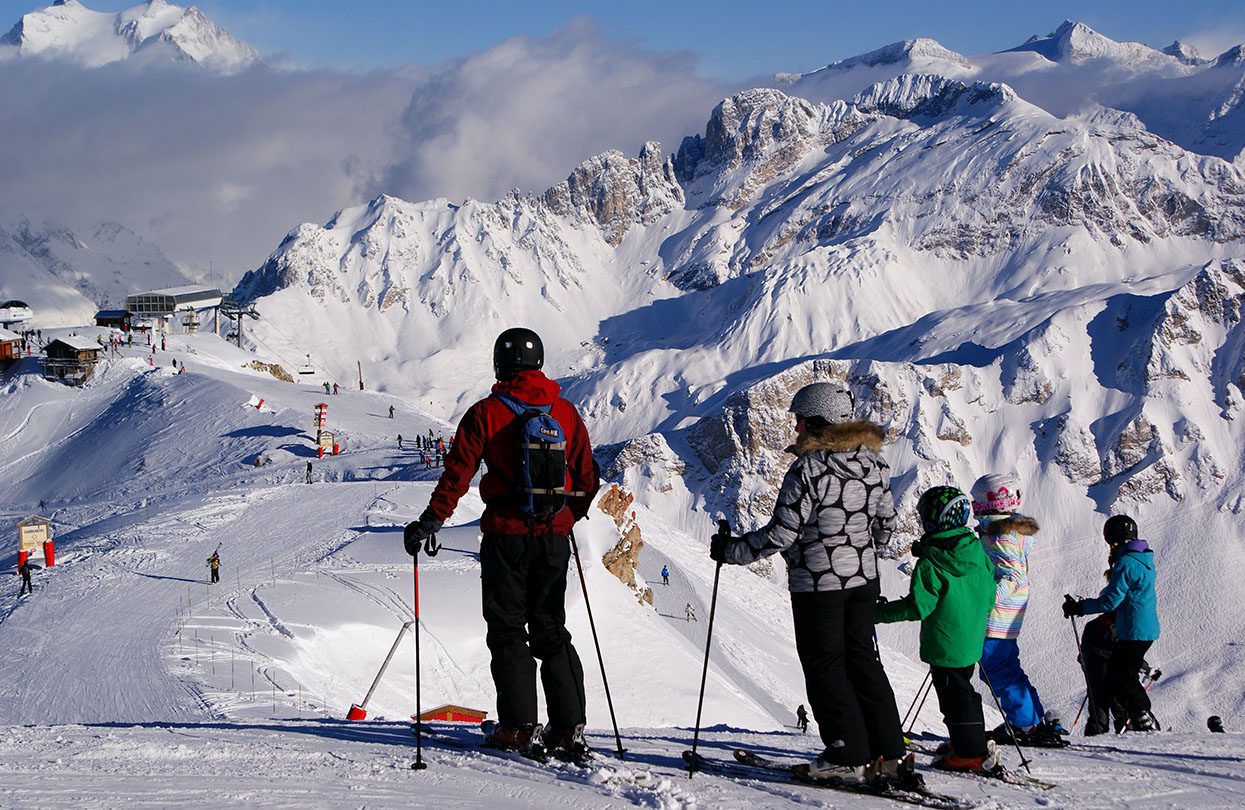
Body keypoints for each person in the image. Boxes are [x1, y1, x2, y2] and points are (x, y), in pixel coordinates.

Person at [403, 327, 599, 761]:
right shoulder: (564, 412)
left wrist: (431, 521)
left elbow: (458, 473)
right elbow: (588, 478)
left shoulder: (485, 413)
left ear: (499, 364)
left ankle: (517, 729)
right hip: (553, 539)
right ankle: (567, 728)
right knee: (551, 630)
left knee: (509, 631)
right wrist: (565, 517)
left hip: (504, 539)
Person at [712, 382, 908, 785]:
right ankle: (891, 754)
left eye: (801, 420)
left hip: (819, 586)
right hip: (864, 581)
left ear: (818, 422)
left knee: (826, 668)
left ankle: (847, 754)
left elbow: (781, 534)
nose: (796, 429)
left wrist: (729, 551)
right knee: (863, 662)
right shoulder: (874, 464)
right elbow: (887, 525)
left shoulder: (810, 468)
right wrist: (862, 556)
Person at [876, 486, 999, 774]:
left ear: (933, 521)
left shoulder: (932, 562)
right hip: (970, 640)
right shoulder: (976, 551)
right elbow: (991, 593)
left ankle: (970, 754)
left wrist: (875, 613)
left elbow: (918, 607)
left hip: (945, 645)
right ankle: (968, 742)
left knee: (954, 700)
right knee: (963, 692)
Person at [970, 473, 1061, 747]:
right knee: (1007, 666)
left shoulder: (1000, 535)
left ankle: (1023, 724)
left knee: (995, 667)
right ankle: (1032, 718)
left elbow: (1012, 576)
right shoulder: (1008, 532)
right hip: (1009, 613)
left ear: (990, 502)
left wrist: (984, 598)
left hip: (997, 615)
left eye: (978, 500)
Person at [1063, 515, 1160, 732]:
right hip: (1143, 627)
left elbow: (1110, 601)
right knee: (1123, 674)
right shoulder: (1142, 559)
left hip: (1134, 629)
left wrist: (1079, 607)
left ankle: (1142, 716)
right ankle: (1138, 717)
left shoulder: (1126, 563)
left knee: (1120, 676)